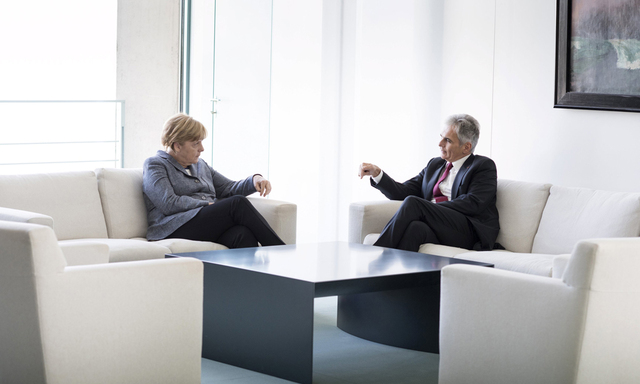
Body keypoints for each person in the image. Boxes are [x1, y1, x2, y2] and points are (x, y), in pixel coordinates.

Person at [358, 114, 499, 252]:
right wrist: (378, 174)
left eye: (448, 140)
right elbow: (402, 192)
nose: (440, 144)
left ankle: (376, 253)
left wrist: (429, 208)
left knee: (414, 203)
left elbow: (473, 203)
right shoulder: (435, 165)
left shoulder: (482, 166)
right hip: (437, 226)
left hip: (468, 231)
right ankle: (399, 275)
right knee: (415, 228)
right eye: (441, 138)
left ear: (466, 147)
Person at [143, 113, 285, 249]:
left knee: (242, 234)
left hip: (202, 224)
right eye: (195, 144)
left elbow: (228, 188)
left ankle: (256, 274)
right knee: (237, 203)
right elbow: (169, 203)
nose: (202, 148)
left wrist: (254, 180)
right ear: (177, 145)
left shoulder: (200, 165)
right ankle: (283, 254)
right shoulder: (155, 165)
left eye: (201, 142)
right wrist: (207, 204)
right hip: (172, 228)